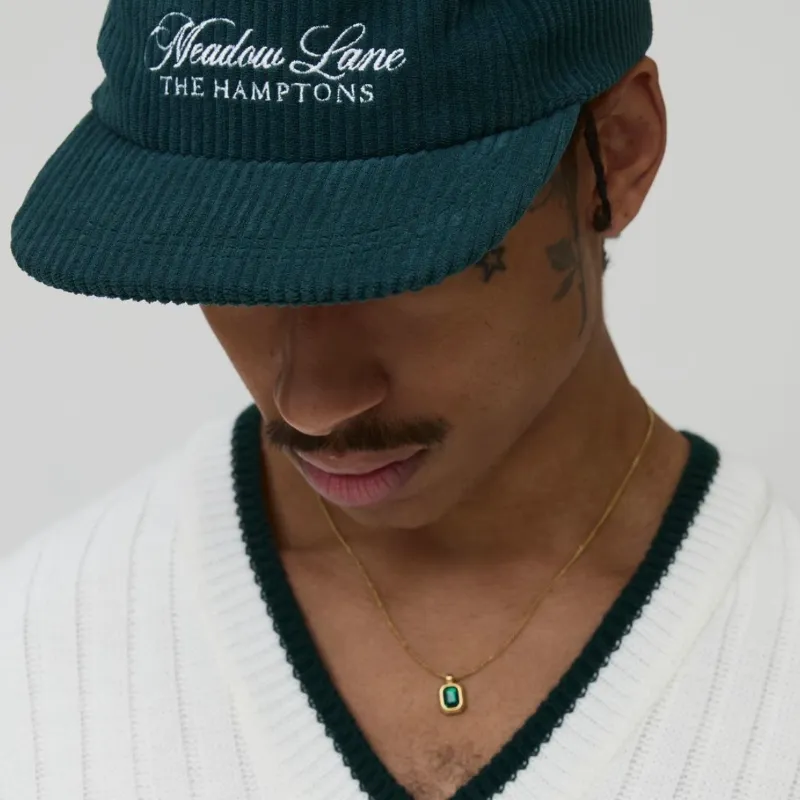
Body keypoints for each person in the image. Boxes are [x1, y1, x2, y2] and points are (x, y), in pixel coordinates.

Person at [4, 0, 799, 798]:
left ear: (619, 150)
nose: (311, 406)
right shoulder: (35, 652)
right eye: (228, 265)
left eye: (401, 265)